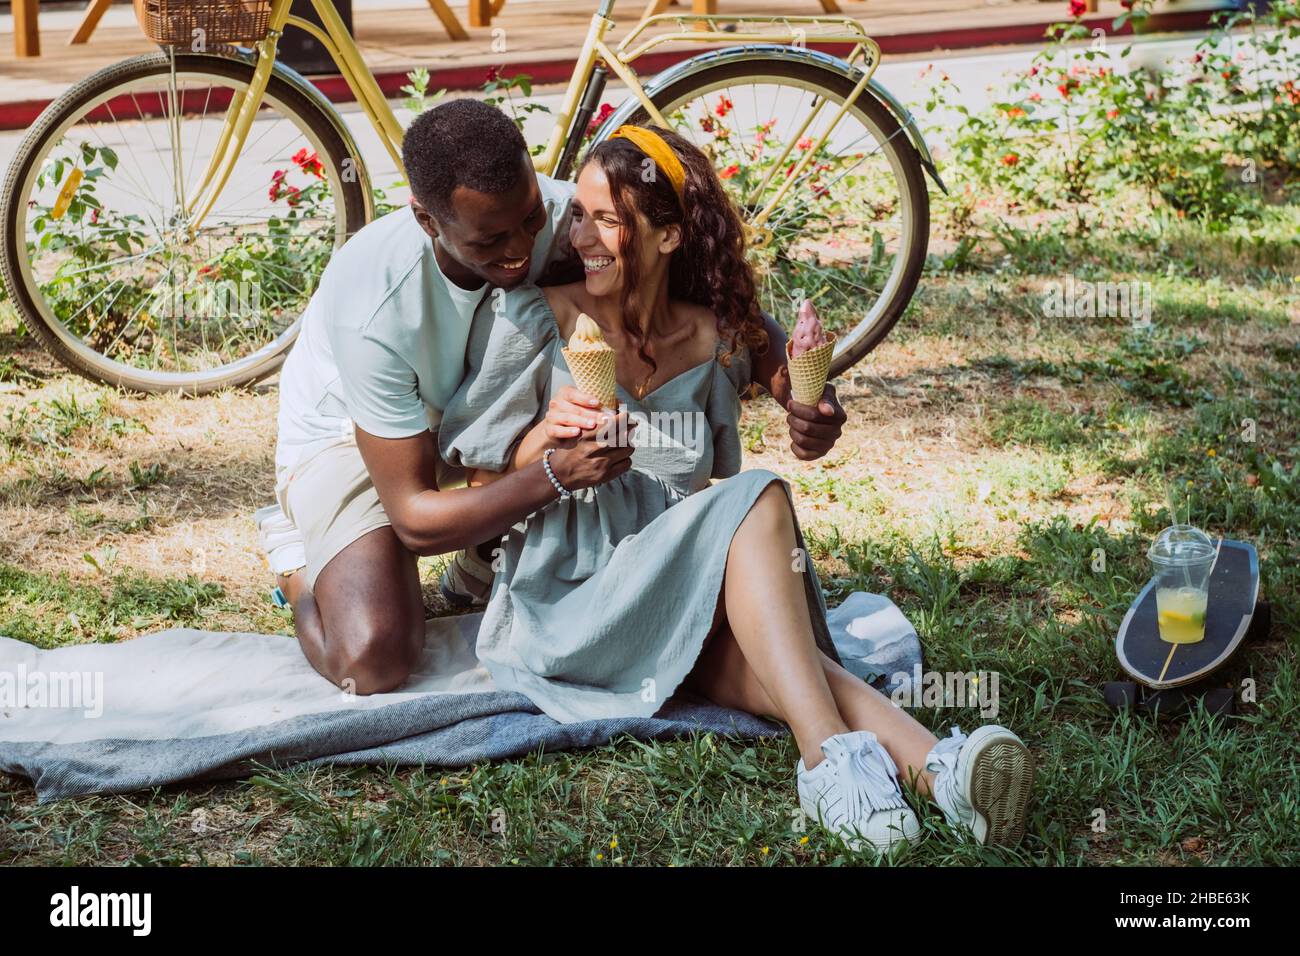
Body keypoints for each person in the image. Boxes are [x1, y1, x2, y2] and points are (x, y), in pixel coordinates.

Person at [437, 124, 1035, 854]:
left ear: (667, 237)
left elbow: (800, 391)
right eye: (577, 214)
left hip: (679, 597)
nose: (579, 235)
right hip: (570, 599)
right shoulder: (539, 317)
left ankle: (939, 772)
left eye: (607, 219)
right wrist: (543, 443)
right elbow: (477, 480)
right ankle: (826, 762)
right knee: (758, 495)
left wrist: (816, 405)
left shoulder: (718, 337)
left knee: (781, 665)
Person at [256, 99, 848, 697]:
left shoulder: (562, 215)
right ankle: (299, 566)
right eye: (491, 240)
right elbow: (416, 519)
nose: (521, 249)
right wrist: (556, 475)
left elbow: (704, 289)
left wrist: (800, 390)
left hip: (482, 416)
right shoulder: (374, 302)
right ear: (428, 221)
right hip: (363, 439)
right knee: (374, 659)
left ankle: (485, 563)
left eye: (531, 219)